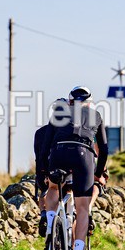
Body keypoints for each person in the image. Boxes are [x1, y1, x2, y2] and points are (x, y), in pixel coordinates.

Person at [41, 86, 108, 250]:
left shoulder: (59, 112)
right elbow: (103, 149)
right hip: (83, 155)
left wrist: (44, 171)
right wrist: (97, 173)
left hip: (59, 153)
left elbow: (45, 147)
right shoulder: (96, 115)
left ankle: (51, 225)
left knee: (54, 188)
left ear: (70, 101)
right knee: (83, 208)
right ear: (90, 102)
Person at [34, 98, 68, 238]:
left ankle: (44, 214)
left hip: (45, 171)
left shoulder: (41, 132)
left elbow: (39, 155)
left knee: (44, 190)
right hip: (65, 171)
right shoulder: (68, 129)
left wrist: (42, 173)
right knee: (70, 193)